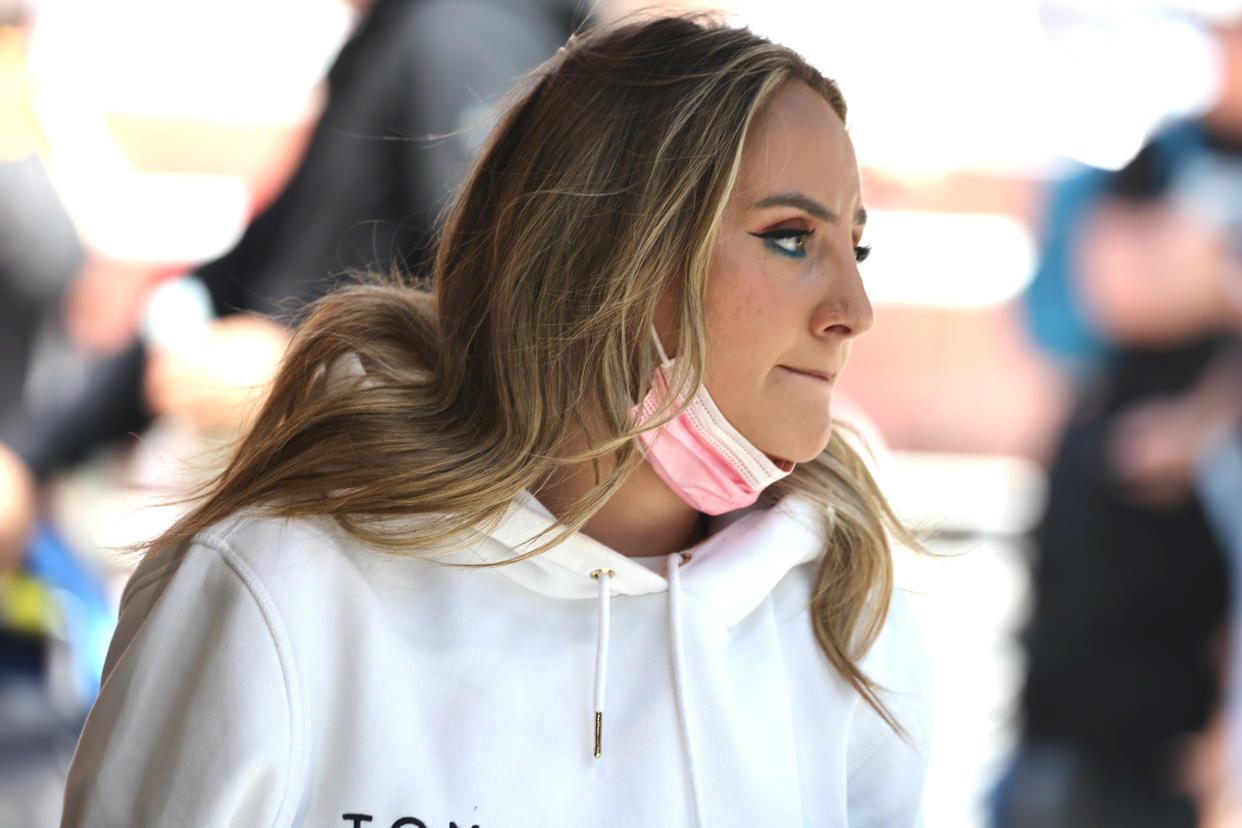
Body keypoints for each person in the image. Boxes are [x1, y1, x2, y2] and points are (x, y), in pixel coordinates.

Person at [59, 15, 932, 827]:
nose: (853, 308)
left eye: (855, 248)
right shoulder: (275, 588)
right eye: (790, 237)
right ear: (606, 256)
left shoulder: (843, 607)